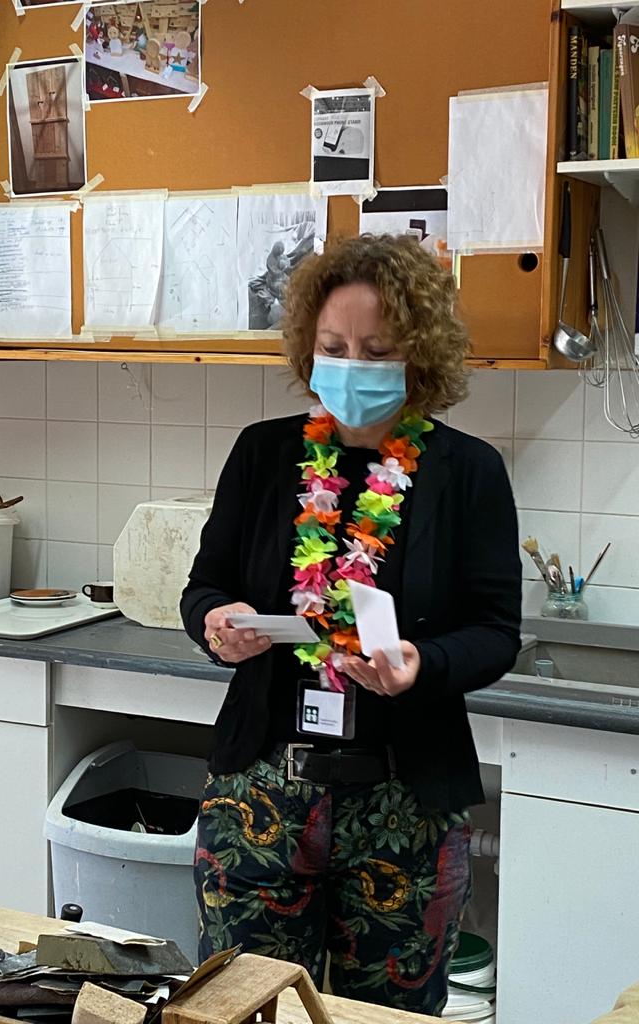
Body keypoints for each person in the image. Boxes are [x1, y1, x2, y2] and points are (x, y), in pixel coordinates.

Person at [180, 233, 521, 1015]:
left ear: (419, 355)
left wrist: (422, 664)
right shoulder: (263, 455)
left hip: (407, 804)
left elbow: (496, 630)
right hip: (260, 792)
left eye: (376, 350)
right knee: (243, 1009)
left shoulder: (468, 473)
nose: (351, 366)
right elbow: (205, 587)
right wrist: (218, 622)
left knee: (389, 1019)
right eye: (334, 347)